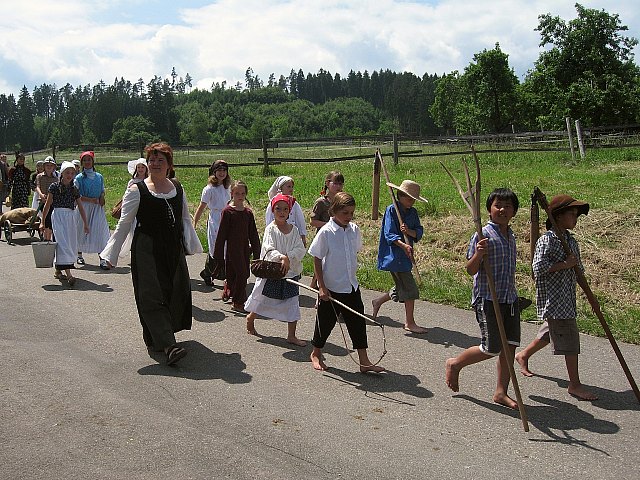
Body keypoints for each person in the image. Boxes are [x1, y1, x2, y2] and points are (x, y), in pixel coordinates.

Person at [100, 142, 202, 366]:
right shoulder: (137, 190)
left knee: (175, 290)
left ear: (169, 165)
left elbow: (185, 218)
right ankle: (169, 345)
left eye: (160, 160)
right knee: (151, 294)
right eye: (151, 160)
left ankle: (156, 336)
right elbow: (124, 224)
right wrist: (111, 254)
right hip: (146, 248)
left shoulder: (177, 187)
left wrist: (192, 245)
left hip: (172, 248)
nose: (155, 164)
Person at [445, 188, 521, 409]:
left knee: (510, 346)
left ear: (514, 211)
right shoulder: (482, 235)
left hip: (509, 298)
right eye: (498, 205)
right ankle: (455, 363)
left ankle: (500, 392)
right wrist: (478, 254)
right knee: (492, 347)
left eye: (508, 206)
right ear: (489, 209)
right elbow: (470, 270)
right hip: (488, 299)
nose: (503, 210)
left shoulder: (511, 236)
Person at [515, 194, 598, 400]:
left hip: (566, 299)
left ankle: (523, 355)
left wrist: (591, 296)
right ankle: (574, 384)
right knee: (570, 340)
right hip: (555, 301)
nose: (576, 217)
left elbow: (578, 270)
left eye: (577, 214)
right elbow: (538, 268)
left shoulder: (570, 240)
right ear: (558, 217)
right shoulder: (548, 240)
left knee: (549, 332)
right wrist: (564, 264)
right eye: (572, 214)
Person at [308, 192, 385, 373]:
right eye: (345, 213)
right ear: (334, 211)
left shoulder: (354, 229)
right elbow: (317, 258)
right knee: (324, 323)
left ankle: (364, 361)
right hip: (331, 288)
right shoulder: (326, 232)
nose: (348, 217)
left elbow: (353, 252)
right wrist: (322, 287)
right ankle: (316, 353)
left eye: (351, 213)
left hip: (351, 286)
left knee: (357, 324)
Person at [245, 193, 307, 346]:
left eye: (285, 209)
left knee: (292, 302)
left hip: (290, 273)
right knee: (263, 298)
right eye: (278, 208)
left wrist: (289, 256)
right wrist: (281, 257)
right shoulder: (270, 229)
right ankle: (251, 318)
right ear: (273, 210)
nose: (281, 212)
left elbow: (300, 249)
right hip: (273, 271)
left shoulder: (293, 230)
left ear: (289, 212)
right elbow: (268, 248)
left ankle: (291, 335)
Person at [372, 180, 429, 334]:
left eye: (413, 200)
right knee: (410, 288)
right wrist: (403, 245)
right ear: (400, 196)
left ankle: (377, 301)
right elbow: (389, 234)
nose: (411, 202)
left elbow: (418, 232)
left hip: (406, 257)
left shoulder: (413, 213)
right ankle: (409, 323)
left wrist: (409, 231)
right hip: (394, 256)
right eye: (409, 199)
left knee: (401, 287)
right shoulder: (392, 210)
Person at [213, 180, 261, 313]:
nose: (240, 196)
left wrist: (257, 253)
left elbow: (253, 234)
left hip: (245, 249)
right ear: (232, 194)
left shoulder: (247, 213)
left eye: (243, 193)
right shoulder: (228, 212)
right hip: (233, 250)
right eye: (237, 193)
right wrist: (218, 255)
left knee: (239, 274)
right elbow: (221, 235)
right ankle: (238, 302)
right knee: (242, 274)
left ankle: (228, 287)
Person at [41, 161, 90, 286]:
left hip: (70, 217)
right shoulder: (54, 187)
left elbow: (80, 206)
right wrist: (42, 221)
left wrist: (85, 223)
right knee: (62, 243)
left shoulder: (74, 189)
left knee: (69, 243)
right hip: (58, 216)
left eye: (72, 173)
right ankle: (69, 274)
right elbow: (48, 205)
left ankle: (58, 270)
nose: (70, 175)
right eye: (67, 173)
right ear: (62, 173)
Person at [193, 160, 231, 286]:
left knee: (227, 247)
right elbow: (201, 207)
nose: (222, 173)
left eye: (224, 170)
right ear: (214, 172)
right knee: (216, 248)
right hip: (215, 220)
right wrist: (194, 223)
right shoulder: (209, 189)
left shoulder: (227, 187)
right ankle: (208, 272)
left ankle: (227, 276)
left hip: (228, 219)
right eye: (219, 170)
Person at [74, 151, 111, 269]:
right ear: (82, 163)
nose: (87, 162)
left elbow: (101, 191)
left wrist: (101, 198)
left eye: (89, 160)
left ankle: (102, 258)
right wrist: (90, 200)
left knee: (99, 231)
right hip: (84, 207)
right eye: (84, 160)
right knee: (81, 230)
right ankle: (79, 254)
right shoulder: (79, 178)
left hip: (97, 208)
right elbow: (76, 195)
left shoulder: (99, 176)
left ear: (93, 161)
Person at [309, 171, 344, 290]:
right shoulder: (321, 202)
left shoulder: (342, 201)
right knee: (321, 264)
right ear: (328, 183)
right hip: (323, 238)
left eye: (341, 184)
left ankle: (315, 285)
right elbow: (313, 221)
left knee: (330, 265)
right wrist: (330, 225)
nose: (338, 187)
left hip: (338, 238)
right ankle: (319, 288)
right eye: (335, 183)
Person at [117, 158, 148, 257]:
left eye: (142, 167)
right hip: (134, 210)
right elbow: (126, 196)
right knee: (133, 231)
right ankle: (134, 251)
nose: (140, 169)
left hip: (145, 210)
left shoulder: (149, 181)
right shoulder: (132, 182)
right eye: (138, 167)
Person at [265, 176, 307, 246]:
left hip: (292, 235)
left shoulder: (294, 203)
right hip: (277, 234)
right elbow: (269, 219)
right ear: (281, 187)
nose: (291, 189)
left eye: (292, 187)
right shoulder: (274, 203)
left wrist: (302, 235)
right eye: (288, 186)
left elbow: (300, 220)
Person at [36, 156, 59, 241]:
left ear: (53, 167)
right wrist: (41, 194)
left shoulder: (56, 178)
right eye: (47, 165)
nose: (49, 167)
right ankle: (47, 238)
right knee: (47, 218)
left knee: (52, 219)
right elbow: (37, 187)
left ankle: (51, 237)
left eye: (51, 165)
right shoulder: (39, 176)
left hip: (53, 202)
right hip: (43, 201)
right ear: (44, 166)